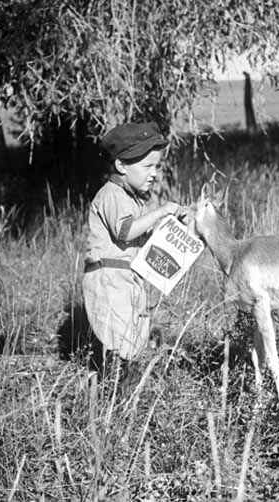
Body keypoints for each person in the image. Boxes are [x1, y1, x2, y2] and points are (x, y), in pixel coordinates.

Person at [82, 122, 186, 367]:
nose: (154, 173)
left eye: (156, 166)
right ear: (121, 166)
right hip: (109, 278)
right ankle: (113, 389)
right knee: (119, 340)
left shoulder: (133, 201)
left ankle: (123, 387)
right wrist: (161, 212)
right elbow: (125, 231)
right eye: (147, 166)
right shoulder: (111, 195)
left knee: (133, 335)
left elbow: (142, 239)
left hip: (127, 278)